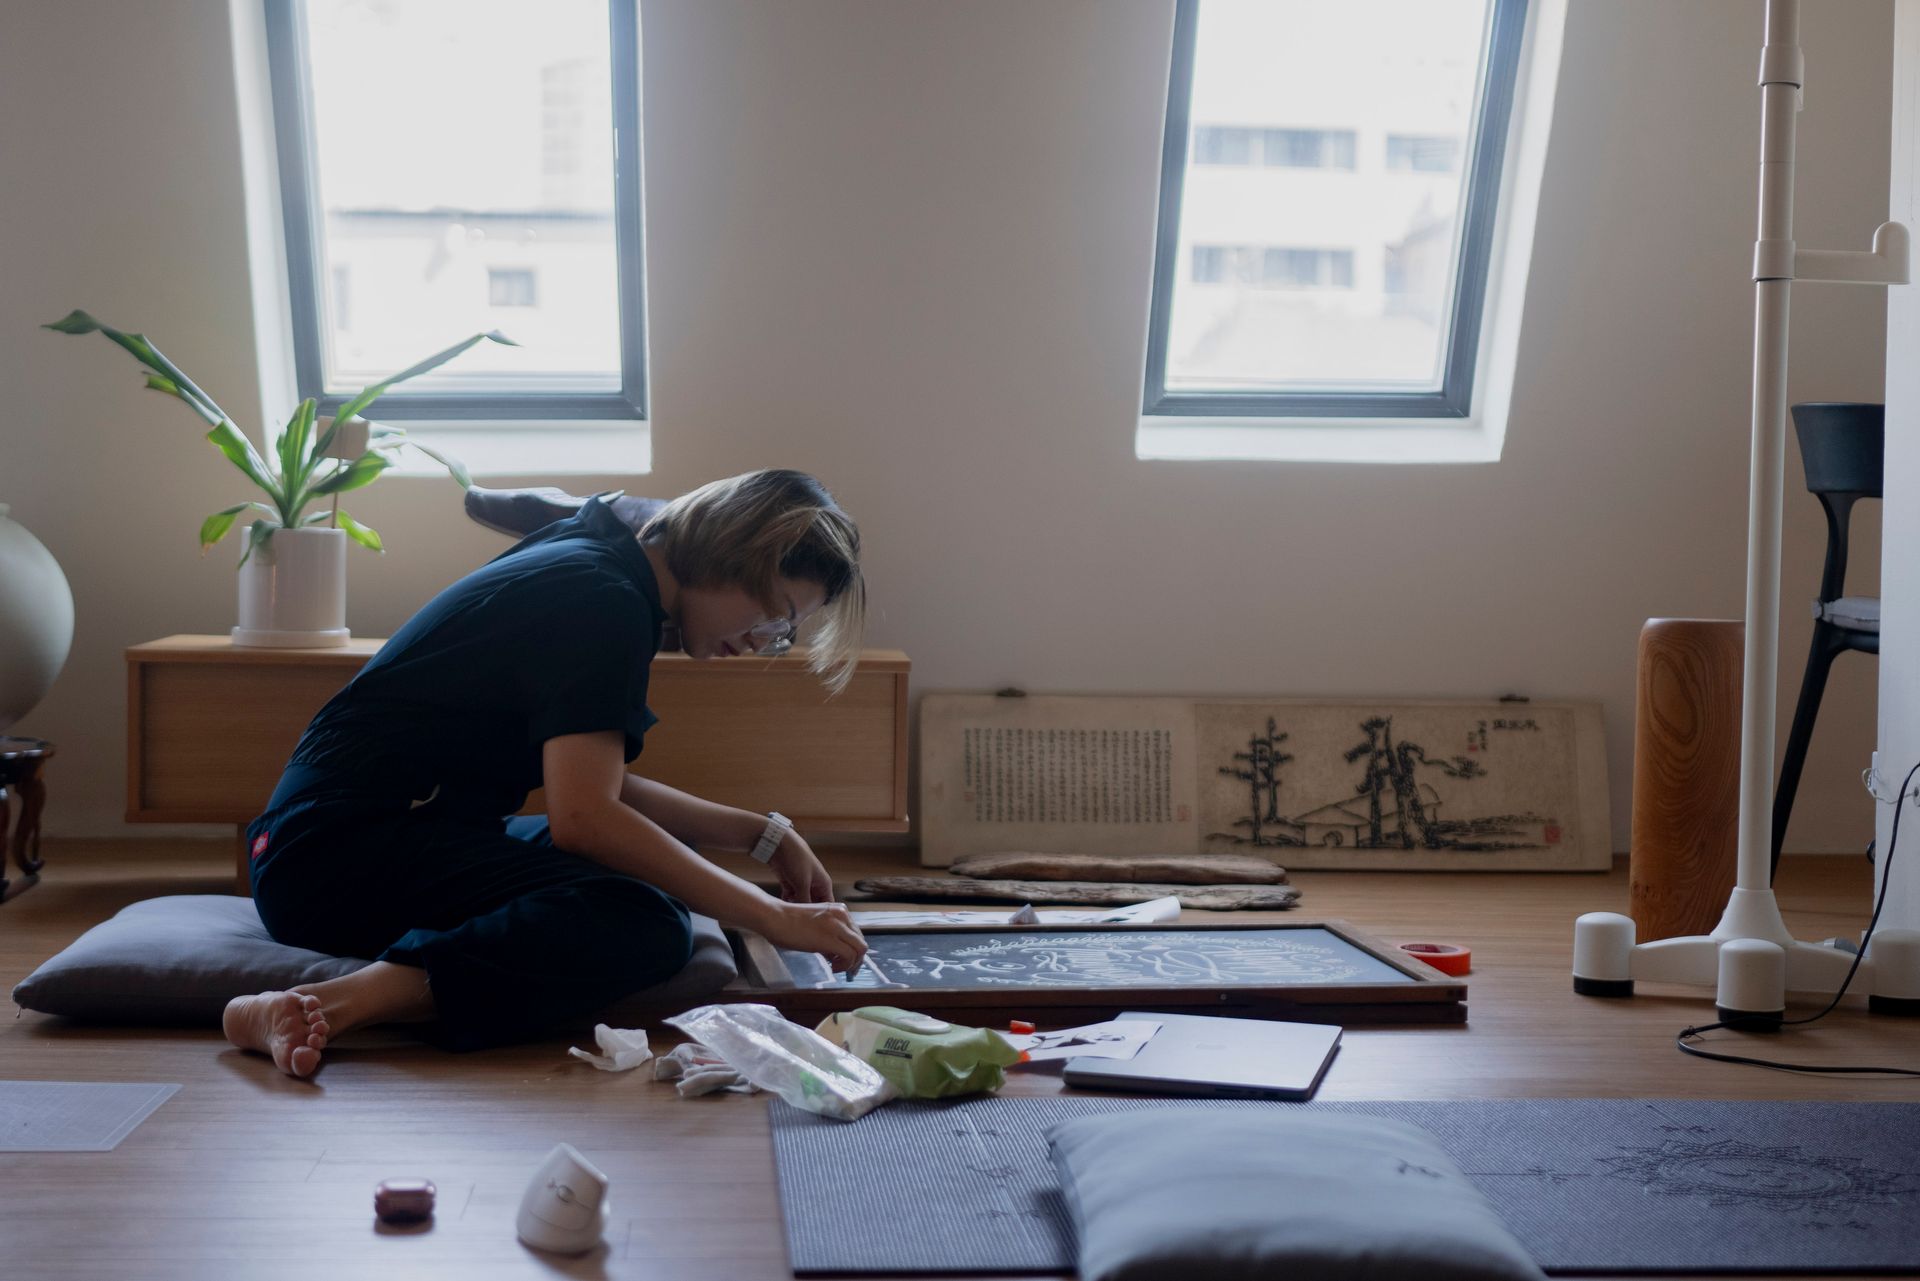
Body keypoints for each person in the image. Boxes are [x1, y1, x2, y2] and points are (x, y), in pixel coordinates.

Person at [222, 469, 869, 1077]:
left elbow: (593, 777)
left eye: (784, 631)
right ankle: (327, 1004)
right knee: (646, 921)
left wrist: (765, 834)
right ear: (735, 551)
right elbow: (585, 817)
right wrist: (771, 916)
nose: (764, 640)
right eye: (776, 613)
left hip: (337, 837)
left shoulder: (603, 561)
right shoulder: (605, 603)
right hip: (329, 860)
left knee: (662, 862)